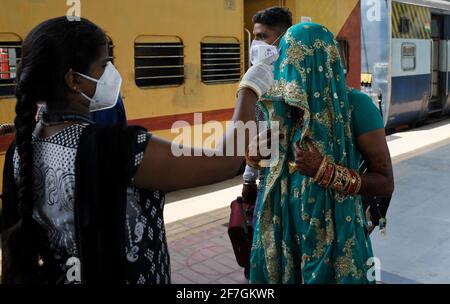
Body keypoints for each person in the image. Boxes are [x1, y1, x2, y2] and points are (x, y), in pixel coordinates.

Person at [1, 17, 275, 284]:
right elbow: (223, 162)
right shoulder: (116, 146)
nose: (112, 74)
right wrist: (248, 89)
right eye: (104, 64)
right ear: (74, 80)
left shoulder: (21, 149)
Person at [247, 23, 394, 284]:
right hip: (285, 232)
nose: (291, 76)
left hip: (338, 235)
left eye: (299, 65)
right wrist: (254, 156)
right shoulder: (281, 108)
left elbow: (384, 182)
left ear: (323, 63)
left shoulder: (356, 106)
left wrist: (325, 171)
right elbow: (269, 166)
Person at [242, 6, 293, 213]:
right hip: (266, 182)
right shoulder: (257, 78)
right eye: (255, 36)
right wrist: (248, 178)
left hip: (295, 183)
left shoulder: (294, 78)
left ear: (281, 39)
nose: (256, 44)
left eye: (263, 36)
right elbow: (256, 131)